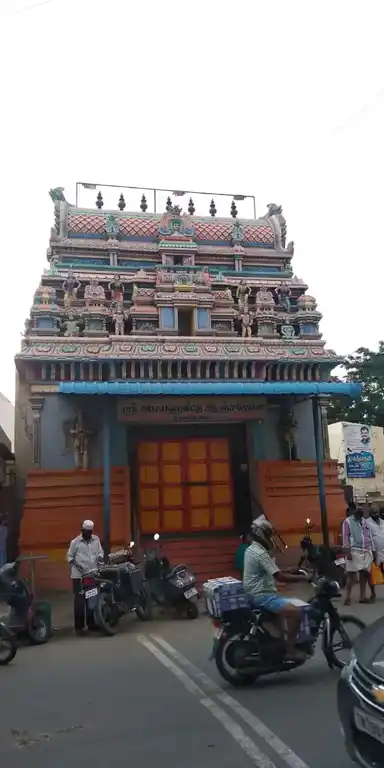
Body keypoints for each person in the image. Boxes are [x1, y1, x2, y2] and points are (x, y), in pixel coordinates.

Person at [243, 515, 310, 661]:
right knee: (296, 613)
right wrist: (303, 578)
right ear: (262, 534)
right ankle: (290, 650)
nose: (270, 537)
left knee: (282, 613)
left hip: (254, 594)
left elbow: (274, 570)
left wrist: (291, 570)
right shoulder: (260, 553)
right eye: (268, 534)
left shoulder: (252, 549)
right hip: (263, 596)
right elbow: (279, 577)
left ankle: (279, 644)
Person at [67, 520, 104, 635]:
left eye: (89, 532)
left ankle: (91, 623)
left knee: (91, 599)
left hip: (92, 574)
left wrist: (99, 558)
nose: (87, 534)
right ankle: (79, 627)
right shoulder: (75, 542)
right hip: (78, 576)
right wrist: (79, 566)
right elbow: (70, 557)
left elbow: (101, 553)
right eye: (85, 532)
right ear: (82, 531)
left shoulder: (96, 539)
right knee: (79, 601)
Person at [342, 505, 374, 605]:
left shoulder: (365, 522)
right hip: (354, 551)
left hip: (366, 551)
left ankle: (362, 596)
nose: (360, 510)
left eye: (361, 508)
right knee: (352, 576)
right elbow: (345, 536)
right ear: (353, 510)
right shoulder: (347, 521)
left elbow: (369, 536)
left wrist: (373, 549)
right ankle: (347, 597)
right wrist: (347, 552)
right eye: (358, 508)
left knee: (364, 574)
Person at [367, 505, 384, 578]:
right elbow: (368, 537)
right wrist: (372, 550)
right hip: (375, 551)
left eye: (377, 512)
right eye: (374, 513)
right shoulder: (367, 522)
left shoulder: (383, 522)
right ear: (370, 513)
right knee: (375, 572)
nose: (376, 514)